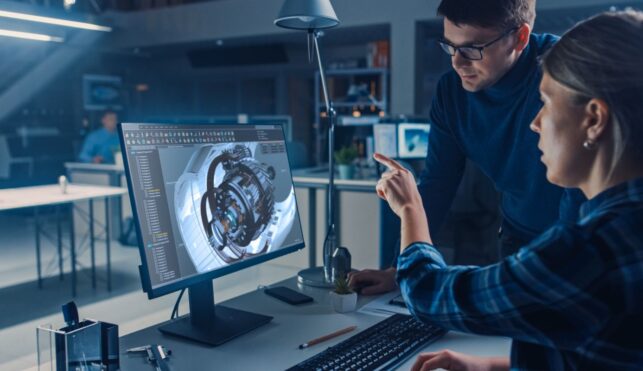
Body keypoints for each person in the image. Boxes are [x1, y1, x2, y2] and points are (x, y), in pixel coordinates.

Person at [374, 10, 643, 369]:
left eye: (546, 104)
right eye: (450, 47)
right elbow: (590, 348)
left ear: (594, 119)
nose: (535, 123)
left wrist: (410, 209)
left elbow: (428, 294)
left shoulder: (586, 253)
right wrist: (493, 365)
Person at [349, 0, 585, 296]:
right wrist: (398, 268)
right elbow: (438, 183)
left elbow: (581, 187)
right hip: (518, 237)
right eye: (450, 46)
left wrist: (566, 265)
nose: (457, 62)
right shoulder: (451, 94)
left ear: (520, 37)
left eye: (473, 49)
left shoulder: (566, 74)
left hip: (579, 237)